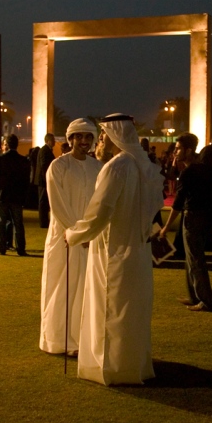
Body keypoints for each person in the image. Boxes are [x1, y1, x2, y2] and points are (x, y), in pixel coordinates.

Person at [65, 113, 164, 386]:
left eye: (104, 134)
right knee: (131, 311)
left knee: (111, 310)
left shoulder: (118, 167)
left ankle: (111, 368)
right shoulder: (142, 165)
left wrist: (73, 234)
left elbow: (100, 213)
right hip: (138, 251)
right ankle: (134, 366)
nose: (101, 140)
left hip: (113, 250)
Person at [40, 118, 102, 355]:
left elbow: (99, 203)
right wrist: (76, 232)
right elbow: (58, 204)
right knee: (62, 285)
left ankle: (82, 340)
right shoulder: (58, 166)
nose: (84, 141)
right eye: (79, 137)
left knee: (86, 288)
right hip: (64, 236)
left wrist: (91, 230)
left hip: (90, 236)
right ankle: (59, 340)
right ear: (71, 139)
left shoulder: (97, 167)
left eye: (88, 137)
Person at [160, 132, 212, 312]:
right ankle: (195, 295)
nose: (175, 152)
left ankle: (205, 300)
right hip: (202, 216)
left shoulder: (189, 172)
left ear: (189, 150)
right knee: (191, 257)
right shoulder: (203, 168)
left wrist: (166, 228)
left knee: (195, 259)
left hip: (192, 216)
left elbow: (178, 203)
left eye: (178, 149)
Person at [0, 134, 30, 256]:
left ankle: (1, 248)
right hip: (17, 196)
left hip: (3, 195)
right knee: (18, 223)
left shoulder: (0, 158)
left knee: (1, 222)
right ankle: (21, 248)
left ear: (7, 144)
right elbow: (26, 180)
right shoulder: (23, 160)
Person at [38, 133, 56, 228]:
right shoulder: (45, 151)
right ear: (48, 141)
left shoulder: (45, 150)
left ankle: (44, 221)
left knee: (44, 201)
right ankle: (43, 222)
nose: (55, 142)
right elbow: (44, 165)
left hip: (43, 179)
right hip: (43, 180)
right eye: (53, 140)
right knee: (43, 201)